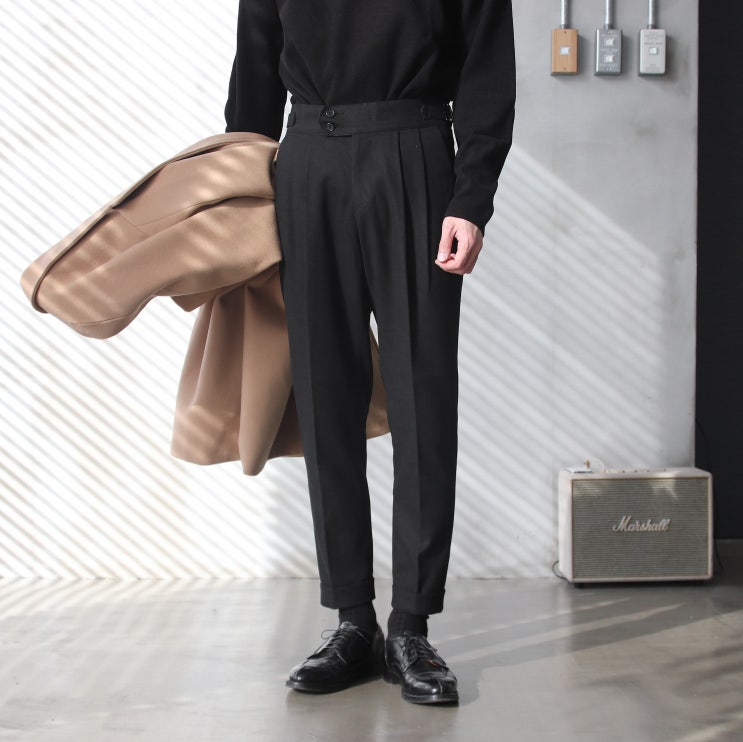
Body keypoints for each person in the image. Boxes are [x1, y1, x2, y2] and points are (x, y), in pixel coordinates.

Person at [225, 0, 515, 705]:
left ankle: (411, 624)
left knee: (423, 397)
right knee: (324, 395)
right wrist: (238, 203)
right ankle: (352, 620)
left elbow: (486, 71)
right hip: (305, 164)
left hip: (416, 156)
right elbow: (254, 73)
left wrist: (471, 199)